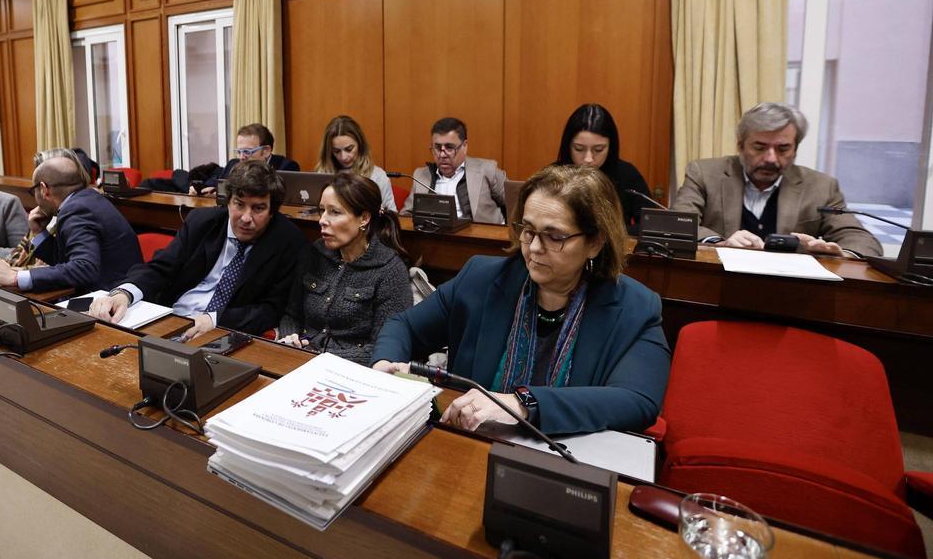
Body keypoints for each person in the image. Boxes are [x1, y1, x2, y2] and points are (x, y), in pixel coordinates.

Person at [374, 165, 671, 437]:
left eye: (555, 237)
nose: (535, 248)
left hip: (567, 458)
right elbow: (404, 327)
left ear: (595, 243)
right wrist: (385, 366)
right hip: (470, 443)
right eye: (528, 230)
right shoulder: (481, 278)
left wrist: (522, 403)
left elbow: (638, 401)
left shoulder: (634, 307)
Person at [88, 160, 306, 341]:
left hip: (223, 331)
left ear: (272, 212)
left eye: (258, 208)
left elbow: (271, 309)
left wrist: (215, 319)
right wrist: (124, 293)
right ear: (228, 201)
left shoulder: (287, 241)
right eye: (239, 204)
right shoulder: (203, 222)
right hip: (171, 320)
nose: (246, 218)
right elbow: (160, 268)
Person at [672, 102, 882, 258]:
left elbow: (863, 241)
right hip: (719, 283)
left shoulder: (821, 186)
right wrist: (720, 243)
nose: (771, 158)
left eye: (782, 149)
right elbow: (677, 223)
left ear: (795, 149)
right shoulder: (705, 173)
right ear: (741, 145)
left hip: (793, 293)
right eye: (759, 147)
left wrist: (840, 253)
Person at [277, 172, 411, 365]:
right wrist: (290, 339)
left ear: (364, 218)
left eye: (334, 212)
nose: (322, 220)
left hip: (350, 372)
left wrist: (319, 360)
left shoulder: (389, 270)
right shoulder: (313, 254)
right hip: (301, 360)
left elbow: (383, 348)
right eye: (322, 210)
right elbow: (292, 314)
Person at [0, 155, 142, 293]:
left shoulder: (76, 210)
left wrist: (15, 277)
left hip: (112, 300)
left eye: (34, 191)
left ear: (44, 189)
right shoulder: (86, 200)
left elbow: (84, 268)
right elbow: (67, 261)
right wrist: (40, 233)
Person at [554, 104, 653, 234]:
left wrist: (611, 235)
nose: (588, 159)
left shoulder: (627, 174)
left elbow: (650, 225)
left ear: (610, 147)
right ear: (568, 146)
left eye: (598, 150)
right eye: (579, 149)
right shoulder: (553, 176)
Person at [399, 117, 508, 224]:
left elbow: (517, 203)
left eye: (449, 147)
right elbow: (406, 215)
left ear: (464, 146)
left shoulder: (487, 170)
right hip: (434, 238)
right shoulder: (420, 175)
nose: (442, 155)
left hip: (479, 238)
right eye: (437, 148)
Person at [313, 115, 396, 212]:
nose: (343, 157)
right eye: (336, 151)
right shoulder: (321, 174)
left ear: (360, 145)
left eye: (349, 149)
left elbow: (391, 218)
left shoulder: (377, 176)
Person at [196, 123, 299, 195]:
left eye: (247, 152)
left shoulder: (286, 167)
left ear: (266, 151)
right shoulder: (233, 164)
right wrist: (202, 189)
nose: (241, 157)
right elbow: (217, 183)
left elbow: (272, 195)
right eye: (239, 151)